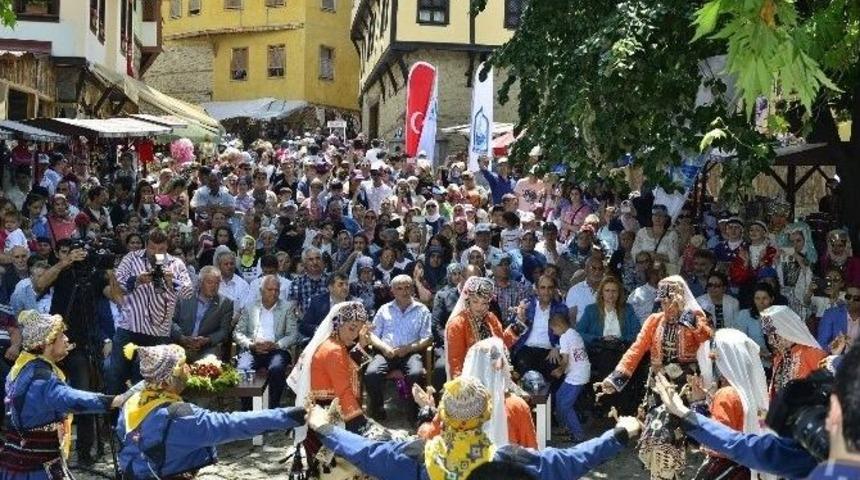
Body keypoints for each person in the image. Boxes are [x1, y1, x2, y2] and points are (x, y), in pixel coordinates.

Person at [305, 375, 643, 480]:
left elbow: (364, 451)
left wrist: (324, 427)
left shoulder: (414, 457)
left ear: (444, 415)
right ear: (487, 414)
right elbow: (571, 462)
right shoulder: (512, 461)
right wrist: (619, 433)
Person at [116, 343, 306, 479]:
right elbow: (236, 424)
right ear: (167, 380)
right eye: (182, 366)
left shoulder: (132, 400)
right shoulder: (182, 416)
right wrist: (292, 414)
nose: (188, 369)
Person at [594, 275, 712, 480]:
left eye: (670, 301)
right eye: (662, 302)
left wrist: (689, 319)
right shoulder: (654, 320)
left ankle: (670, 475)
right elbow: (636, 350)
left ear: (680, 299)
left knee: (676, 435)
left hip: (685, 387)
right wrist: (615, 378)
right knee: (657, 433)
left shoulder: (693, 318)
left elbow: (707, 336)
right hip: (658, 386)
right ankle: (660, 476)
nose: (666, 306)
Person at [0, 311, 123, 477]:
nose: (66, 339)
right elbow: (70, 399)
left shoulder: (24, 368)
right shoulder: (40, 379)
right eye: (61, 335)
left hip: (21, 465)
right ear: (47, 343)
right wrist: (113, 401)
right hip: (34, 471)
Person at [108, 229, 194, 395]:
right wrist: (137, 280)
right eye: (152, 248)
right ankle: (113, 420)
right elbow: (117, 282)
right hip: (129, 328)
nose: (156, 253)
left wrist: (172, 281)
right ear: (146, 245)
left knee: (147, 383)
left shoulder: (176, 264)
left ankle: (144, 419)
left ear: (167, 247)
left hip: (158, 333)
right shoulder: (131, 258)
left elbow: (188, 292)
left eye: (161, 249)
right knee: (116, 377)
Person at [416, 337, 537, 449]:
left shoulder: (454, 404)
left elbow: (427, 441)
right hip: (505, 470)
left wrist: (428, 410)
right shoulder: (517, 405)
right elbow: (532, 453)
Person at [690, 328, 771, 480]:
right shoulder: (758, 392)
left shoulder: (727, 395)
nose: (711, 357)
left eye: (716, 356)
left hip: (729, 469)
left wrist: (697, 404)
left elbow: (715, 441)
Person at [365, 275, 432, 419]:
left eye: (408, 287)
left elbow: (427, 337)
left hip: (411, 353)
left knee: (416, 373)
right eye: (399, 288)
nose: (404, 291)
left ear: (413, 289)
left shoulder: (422, 310)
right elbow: (372, 335)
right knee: (371, 374)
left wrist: (409, 348)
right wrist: (383, 348)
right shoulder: (384, 309)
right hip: (386, 353)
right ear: (392, 291)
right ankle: (378, 411)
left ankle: (414, 414)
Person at [234, 275, 298, 408]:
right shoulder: (250, 307)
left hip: (277, 350)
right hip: (253, 349)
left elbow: (293, 334)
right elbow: (238, 332)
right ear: (261, 290)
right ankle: (247, 409)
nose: (274, 293)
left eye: (276, 290)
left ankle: (272, 407)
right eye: (270, 290)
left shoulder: (287, 308)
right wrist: (251, 345)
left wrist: (277, 345)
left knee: (276, 368)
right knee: (243, 369)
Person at [444, 276, 519, 379]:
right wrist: (463, 388)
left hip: (494, 374)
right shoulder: (457, 324)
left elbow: (501, 345)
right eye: (475, 301)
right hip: (469, 378)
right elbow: (456, 361)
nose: (479, 307)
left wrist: (518, 325)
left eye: (484, 303)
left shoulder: (491, 319)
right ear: (468, 299)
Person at [760, 305, 827, 398]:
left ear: (786, 330)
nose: (770, 341)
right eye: (768, 336)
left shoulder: (812, 353)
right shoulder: (779, 358)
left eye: (775, 336)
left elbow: (825, 388)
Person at [171, 266, 232, 362]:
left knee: (211, 361)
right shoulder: (184, 297)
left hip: (206, 348)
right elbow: (170, 321)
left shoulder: (225, 303)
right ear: (200, 283)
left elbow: (224, 331)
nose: (214, 287)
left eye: (217, 283)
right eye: (210, 282)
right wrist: (182, 338)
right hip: (181, 344)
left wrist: (206, 340)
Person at [510, 274, 567, 379]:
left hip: (549, 350)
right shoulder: (526, 305)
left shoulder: (560, 309)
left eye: (550, 288)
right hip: (527, 348)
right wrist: (519, 318)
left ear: (554, 290)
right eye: (543, 288)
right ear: (536, 290)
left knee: (555, 373)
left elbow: (566, 333)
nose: (546, 292)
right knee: (526, 375)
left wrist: (557, 347)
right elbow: (514, 331)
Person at [549, 314, 590, 443]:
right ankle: (566, 427)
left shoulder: (564, 337)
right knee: (559, 396)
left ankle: (578, 434)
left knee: (565, 405)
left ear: (559, 326)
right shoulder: (574, 333)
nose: (553, 332)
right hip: (580, 372)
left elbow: (565, 360)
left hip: (576, 376)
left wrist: (559, 371)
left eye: (553, 329)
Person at [816, 283, 860, 353]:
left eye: (856, 298)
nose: (851, 300)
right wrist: (833, 348)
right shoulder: (831, 314)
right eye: (848, 297)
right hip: (837, 360)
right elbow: (821, 345)